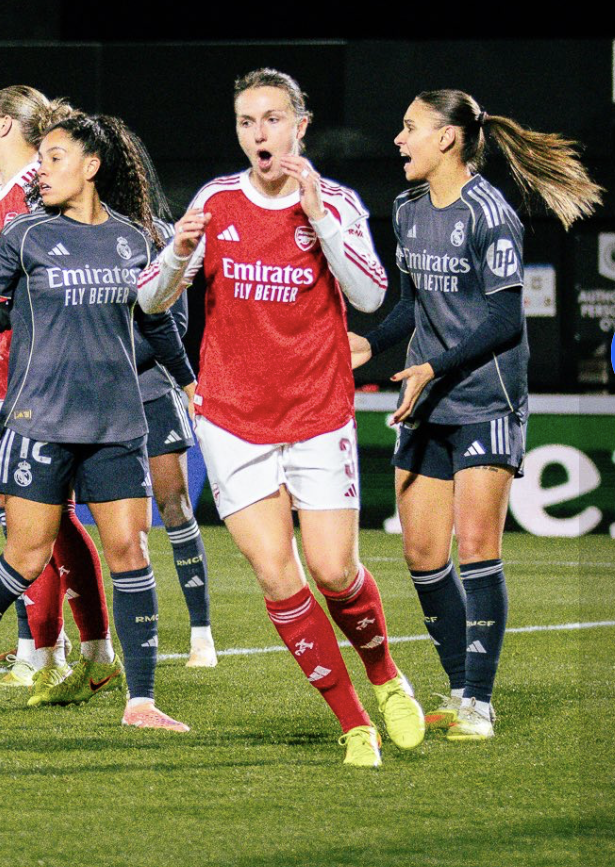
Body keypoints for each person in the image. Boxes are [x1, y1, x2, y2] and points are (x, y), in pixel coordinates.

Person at [139, 68, 422, 766]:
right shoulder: (217, 200)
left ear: (300, 124)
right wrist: (176, 253)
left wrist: (318, 213)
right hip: (232, 419)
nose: (258, 134)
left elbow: (370, 293)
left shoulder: (337, 202)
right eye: (246, 121)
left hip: (318, 412)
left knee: (333, 570)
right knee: (277, 575)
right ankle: (354, 721)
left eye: (271, 119)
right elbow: (148, 301)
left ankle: (384, 674)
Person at [352, 90, 603, 742]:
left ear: (447, 139)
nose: (398, 139)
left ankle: (480, 708)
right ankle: (460, 686)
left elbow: (503, 320)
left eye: (409, 127)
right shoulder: (408, 208)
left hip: (485, 398)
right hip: (428, 395)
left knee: (477, 547)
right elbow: (414, 304)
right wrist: (371, 342)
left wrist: (434, 365)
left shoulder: (489, 213)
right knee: (421, 552)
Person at [0, 109, 195, 732]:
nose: (41, 170)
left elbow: (156, 321)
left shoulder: (134, 240)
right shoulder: (25, 234)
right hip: (38, 421)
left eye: (54, 158)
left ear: (91, 166)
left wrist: (189, 381)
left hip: (115, 425)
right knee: (26, 556)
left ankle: (141, 702)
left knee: (129, 553)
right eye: (41, 157)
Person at [0, 85, 117, 699]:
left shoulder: (31, 195)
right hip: (22, 376)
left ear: (6, 128)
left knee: (35, 521)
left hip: (42, 383)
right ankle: (68, 649)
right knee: (46, 521)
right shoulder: (3, 198)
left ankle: (50, 650)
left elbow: (37, 297)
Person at [136, 216, 217, 668]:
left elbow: (173, 324)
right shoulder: (76, 229)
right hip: (90, 395)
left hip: (150, 388)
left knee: (175, 507)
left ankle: (201, 635)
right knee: (120, 527)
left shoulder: (161, 235)